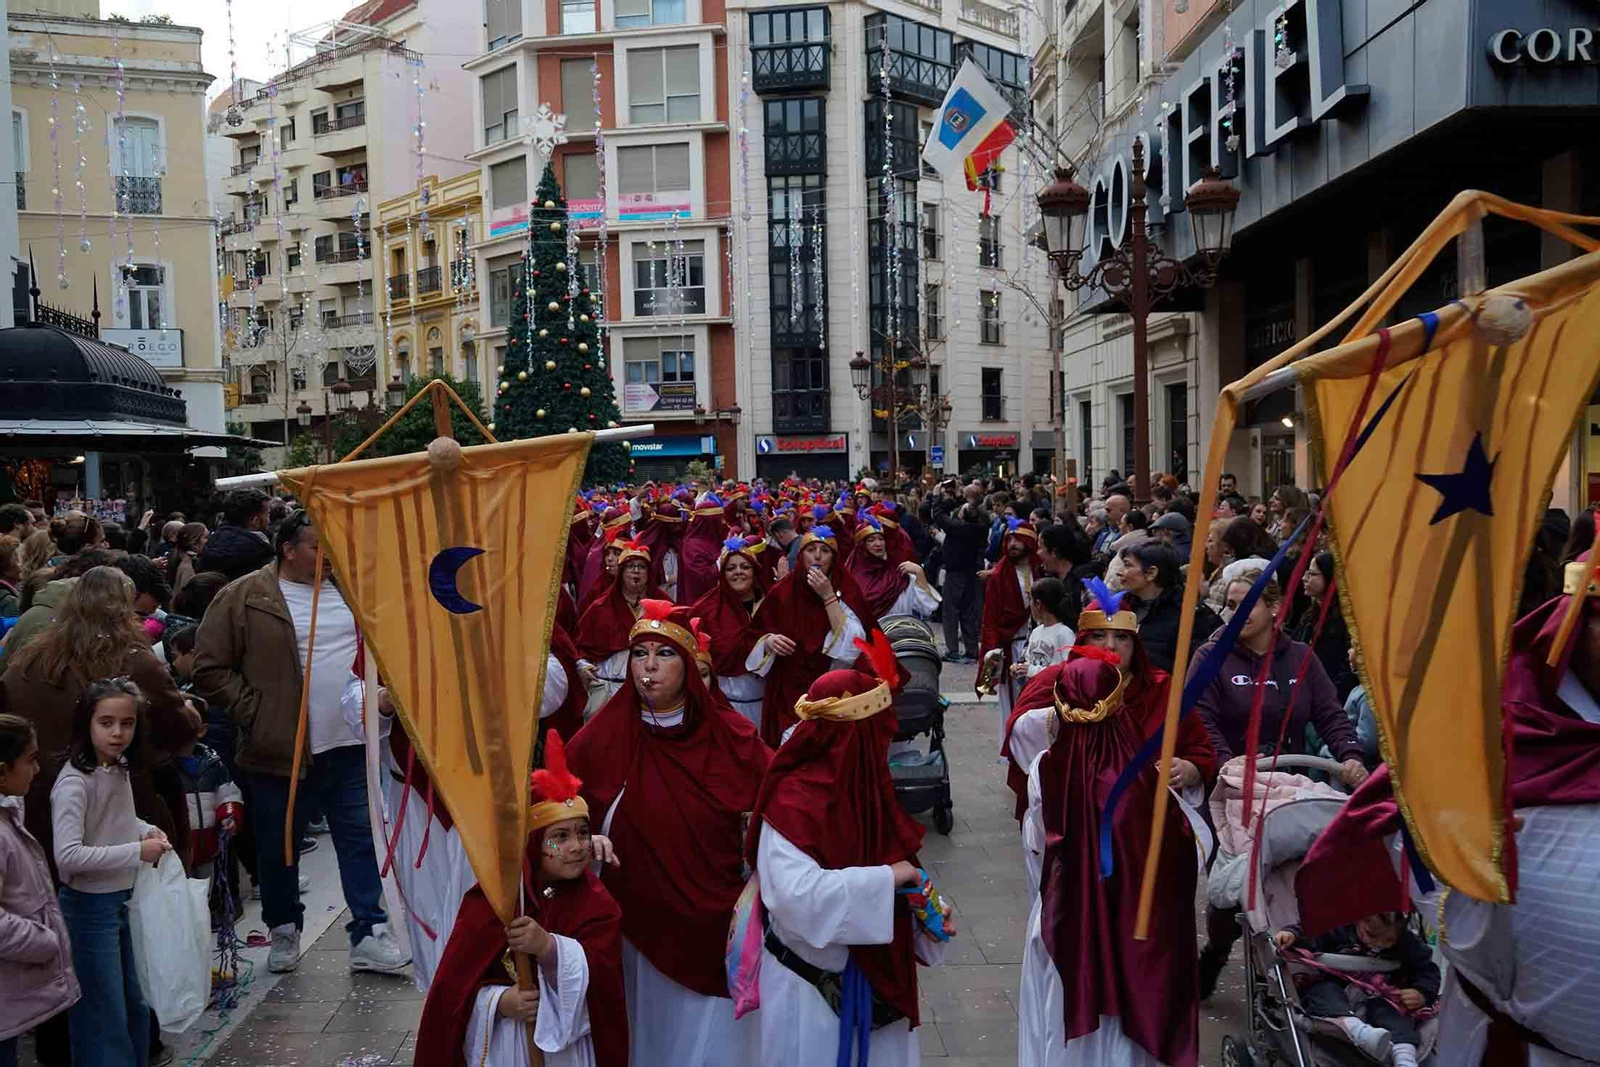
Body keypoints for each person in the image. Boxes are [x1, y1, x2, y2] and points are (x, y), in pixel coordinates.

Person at [191, 510, 409, 976]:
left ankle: (368, 932)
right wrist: (254, 711)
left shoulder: (353, 590)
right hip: (279, 750)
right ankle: (284, 928)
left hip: (351, 743)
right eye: (316, 546)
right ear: (288, 550)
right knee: (279, 845)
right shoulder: (245, 596)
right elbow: (208, 666)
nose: (327, 555)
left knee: (360, 840)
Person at [566, 601, 769, 1064]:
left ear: (689, 667)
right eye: (640, 654)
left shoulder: (732, 736)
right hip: (634, 926)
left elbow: (780, 799)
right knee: (647, 1033)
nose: (649, 667)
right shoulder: (599, 739)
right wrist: (582, 840)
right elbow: (560, 816)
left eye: (665, 654)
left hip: (714, 921)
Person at [747, 636, 954, 1066]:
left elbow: (897, 878)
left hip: (876, 990)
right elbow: (796, 898)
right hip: (809, 995)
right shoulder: (792, 802)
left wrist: (924, 920)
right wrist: (890, 878)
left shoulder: (870, 796)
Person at [1015, 655, 1201, 1067]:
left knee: (1058, 1012)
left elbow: (1036, 847)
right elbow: (1179, 853)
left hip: (1063, 918)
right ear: (1119, 705)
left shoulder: (1042, 770)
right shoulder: (1146, 778)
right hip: (1131, 923)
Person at [1192, 568, 1365, 999]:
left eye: (1246, 604)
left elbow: (1329, 713)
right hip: (1233, 790)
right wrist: (1227, 764)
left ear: (1275, 609)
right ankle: (1218, 949)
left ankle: (1289, 958)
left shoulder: (1301, 657)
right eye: (1230, 605)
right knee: (1234, 885)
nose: (1235, 613)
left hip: (1290, 786)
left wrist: (1350, 757)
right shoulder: (1211, 657)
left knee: (1296, 875)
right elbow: (1200, 718)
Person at [413, 733, 627, 1066]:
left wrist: (550, 949)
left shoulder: (597, 904)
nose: (576, 846)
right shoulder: (495, 903)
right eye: (560, 837)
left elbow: (605, 989)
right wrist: (499, 1003)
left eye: (583, 833)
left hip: (570, 1053)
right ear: (534, 842)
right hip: (509, 1047)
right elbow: (453, 991)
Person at [3, 566, 203, 881]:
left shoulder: (29, 660)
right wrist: (190, 712)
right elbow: (178, 728)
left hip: (43, 802)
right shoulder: (134, 660)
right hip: (119, 801)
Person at [51, 678, 171, 1067]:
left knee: (134, 1003)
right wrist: (137, 851)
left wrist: (144, 830)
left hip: (122, 898)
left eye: (127, 723)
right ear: (87, 723)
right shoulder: (74, 782)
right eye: (106, 723)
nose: (118, 733)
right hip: (89, 907)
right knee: (104, 1013)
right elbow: (68, 855)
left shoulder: (116, 767)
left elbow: (114, 820)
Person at [0, 714, 79, 1067]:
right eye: (31, 759)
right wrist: (44, 941)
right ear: (3, 770)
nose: (37, 769)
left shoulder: (10, 815)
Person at [752, 526, 872, 748]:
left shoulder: (846, 588)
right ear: (801, 555)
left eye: (824, 551)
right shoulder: (782, 592)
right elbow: (755, 633)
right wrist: (768, 641)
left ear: (833, 558)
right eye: (811, 550)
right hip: (789, 689)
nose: (817, 556)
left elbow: (853, 645)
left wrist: (828, 596)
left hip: (832, 688)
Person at [1272, 913, 1438, 1067]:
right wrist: (1293, 934)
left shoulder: (1408, 944)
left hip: (1381, 996)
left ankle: (1405, 1057)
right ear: (1360, 919)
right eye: (1372, 934)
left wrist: (1422, 992)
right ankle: (1360, 1033)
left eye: (1390, 940)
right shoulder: (1338, 928)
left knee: (1397, 1016)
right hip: (1337, 988)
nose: (1382, 943)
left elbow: (1427, 971)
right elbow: (1311, 932)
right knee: (1320, 993)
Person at [690, 537, 779, 731]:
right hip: (725, 704)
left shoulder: (772, 603)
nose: (738, 572)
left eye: (745, 567)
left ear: (754, 571)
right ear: (723, 574)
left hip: (769, 703)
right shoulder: (706, 609)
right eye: (730, 568)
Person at [577, 541, 665, 713]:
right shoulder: (600, 608)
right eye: (630, 566)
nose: (636, 571)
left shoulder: (663, 605)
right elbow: (580, 645)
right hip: (608, 689)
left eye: (641, 567)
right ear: (621, 572)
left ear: (649, 573)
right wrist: (582, 665)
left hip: (651, 693)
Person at [978, 519, 1040, 748]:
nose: (1012, 544)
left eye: (1017, 539)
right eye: (1009, 539)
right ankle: (1015, 750)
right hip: (1013, 648)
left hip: (1043, 644)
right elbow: (990, 619)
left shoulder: (1041, 570)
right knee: (1015, 703)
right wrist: (992, 655)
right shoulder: (999, 576)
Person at [1118, 541, 1222, 673]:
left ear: (1151, 573)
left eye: (1127, 565)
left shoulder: (1191, 616)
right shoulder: (1121, 606)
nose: (1119, 572)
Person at [845, 517, 939, 622]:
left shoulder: (900, 574)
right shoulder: (851, 578)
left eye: (881, 539)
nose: (878, 544)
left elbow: (927, 608)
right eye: (871, 540)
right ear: (862, 546)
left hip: (900, 630)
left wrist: (919, 573)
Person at [1291, 551, 1356, 701]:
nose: (1304, 578)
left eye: (1312, 574)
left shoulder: (1346, 618)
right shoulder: (1311, 614)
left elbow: (1346, 668)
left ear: (1329, 577)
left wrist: (1330, 696)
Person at [195, 489, 273, 581]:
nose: (269, 519)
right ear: (254, 521)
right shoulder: (258, 552)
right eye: (267, 514)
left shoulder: (211, 543)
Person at [1013, 578, 1074, 682]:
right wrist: (1020, 669)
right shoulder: (1035, 632)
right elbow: (1029, 661)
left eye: (1030, 599)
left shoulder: (1065, 633)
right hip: (1033, 689)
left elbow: (1068, 670)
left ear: (1038, 604)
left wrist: (1033, 671)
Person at [678, 495, 731, 606]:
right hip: (702, 605)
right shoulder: (691, 546)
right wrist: (721, 560)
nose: (723, 523)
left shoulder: (716, 539)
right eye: (720, 519)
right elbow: (701, 578)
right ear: (710, 522)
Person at [1102, 507, 1151, 592]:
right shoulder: (1126, 546)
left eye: (1121, 524)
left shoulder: (1130, 548)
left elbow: (1117, 581)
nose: (1119, 527)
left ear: (1130, 527)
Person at [163, 523, 208, 604]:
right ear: (194, 542)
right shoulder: (187, 567)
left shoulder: (181, 557)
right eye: (206, 537)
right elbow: (186, 600)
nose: (208, 541)